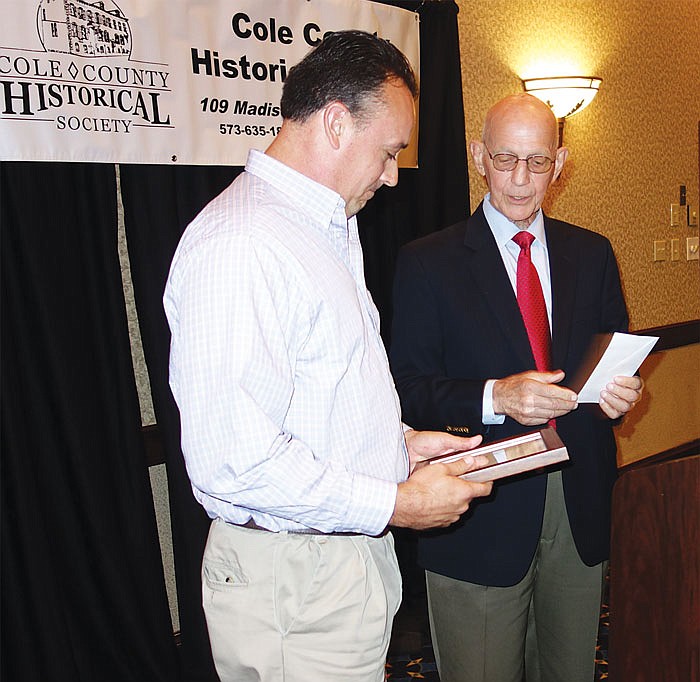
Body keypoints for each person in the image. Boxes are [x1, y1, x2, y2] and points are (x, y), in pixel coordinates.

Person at [163, 30, 493, 682]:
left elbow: (322, 392)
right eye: (390, 151)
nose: (394, 175)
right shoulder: (243, 245)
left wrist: (398, 444)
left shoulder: (326, 226)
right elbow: (235, 462)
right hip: (293, 579)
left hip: (330, 566)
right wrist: (394, 504)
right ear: (337, 123)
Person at [389, 92, 644, 682]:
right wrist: (495, 397)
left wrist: (619, 397)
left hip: (578, 501)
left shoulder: (594, 254)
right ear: (479, 156)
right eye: (506, 160)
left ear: (560, 164)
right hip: (481, 507)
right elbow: (408, 388)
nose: (522, 180)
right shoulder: (428, 262)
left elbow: (612, 369)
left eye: (537, 162)